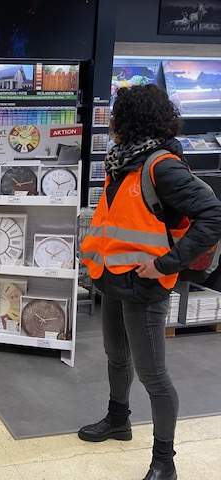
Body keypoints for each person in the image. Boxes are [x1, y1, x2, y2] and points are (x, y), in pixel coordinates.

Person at [80, 84, 221, 480]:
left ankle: (164, 461)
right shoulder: (122, 162)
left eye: (116, 115)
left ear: (133, 120)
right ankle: (117, 420)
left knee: (154, 376)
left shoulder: (161, 166)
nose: (111, 122)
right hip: (113, 279)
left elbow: (213, 215)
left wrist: (166, 264)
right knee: (115, 356)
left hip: (145, 286)